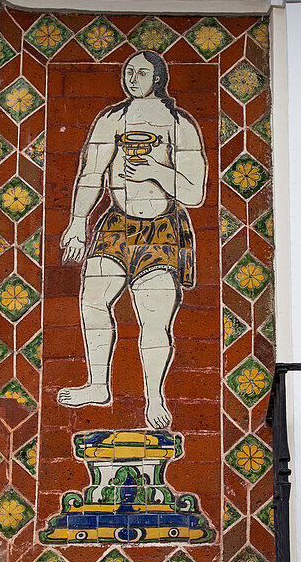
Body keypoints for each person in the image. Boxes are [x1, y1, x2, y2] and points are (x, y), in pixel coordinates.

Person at [57, 51, 208, 429]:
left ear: (157, 78)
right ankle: (97, 384)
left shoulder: (179, 125)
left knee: (153, 322)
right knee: (93, 300)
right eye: (128, 71)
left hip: (161, 230)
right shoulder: (113, 120)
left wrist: (156, 169)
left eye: (141, 72)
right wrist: (77, 221)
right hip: (116, 225)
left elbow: (194, 192)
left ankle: (154, 398)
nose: (132, 77)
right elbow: (91, 173)